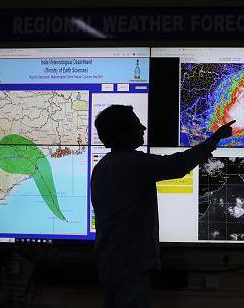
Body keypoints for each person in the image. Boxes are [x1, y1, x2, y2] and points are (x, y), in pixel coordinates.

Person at [90, 104, 234, 308]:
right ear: (123, 134)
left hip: (110, 262)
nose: (143, 128)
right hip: (130, 265)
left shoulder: (101, 167)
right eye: (136, 124)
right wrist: (215, 139)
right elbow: (178, 165)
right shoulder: (132, 164)